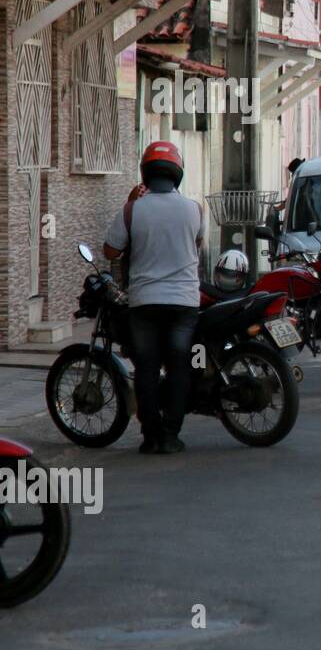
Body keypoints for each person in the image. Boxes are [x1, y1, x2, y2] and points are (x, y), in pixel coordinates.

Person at [102, 141, 203, 455]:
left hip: (144, 300)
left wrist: (131, 207)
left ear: (145, 173)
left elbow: (110, 250)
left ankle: (151, 436)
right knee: (178, 366)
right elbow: (198, 245)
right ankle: (171, 435)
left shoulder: (133, 209)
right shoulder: (195, 209)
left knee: (146, 367)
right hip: (184, 301)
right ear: (177, 173)